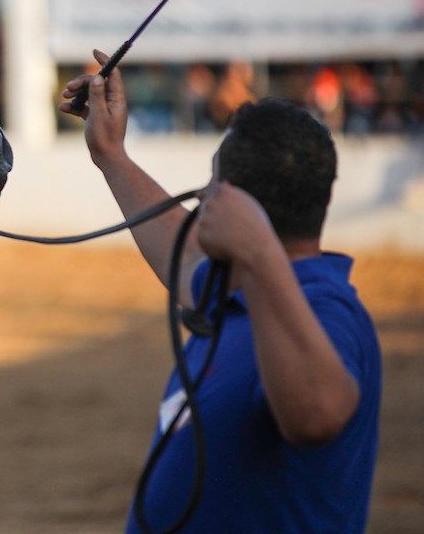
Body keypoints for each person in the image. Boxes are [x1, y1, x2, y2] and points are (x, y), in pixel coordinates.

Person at [60, 50, 381, 534]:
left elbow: (316, 416)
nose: (205, 197)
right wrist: (111, 155)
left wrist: (259, 252)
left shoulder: (324, 307)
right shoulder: (241, 285)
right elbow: (184, 252)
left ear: (235, 202)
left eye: (213, 181)